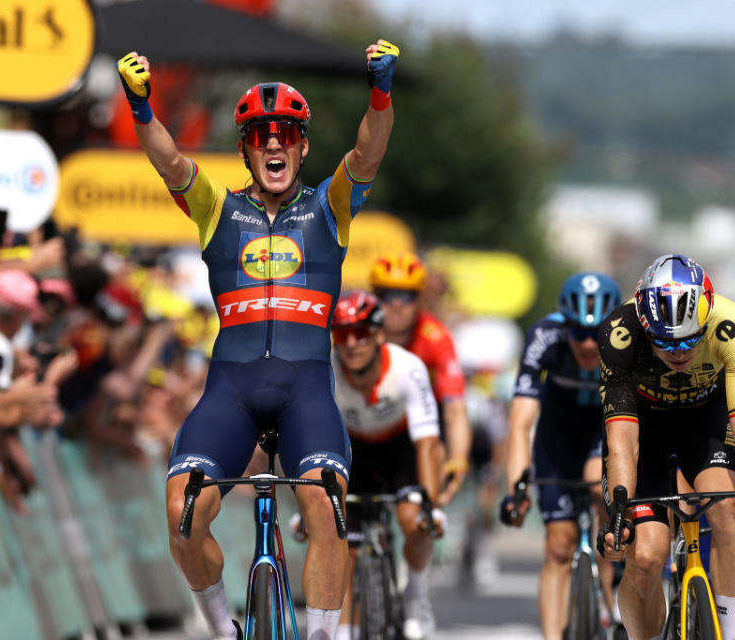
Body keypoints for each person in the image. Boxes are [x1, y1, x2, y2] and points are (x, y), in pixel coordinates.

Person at [118, 38, 400, 640]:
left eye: (287, 133)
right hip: (232, 391)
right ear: (246, 149)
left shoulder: (331, 206)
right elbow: (169, 162)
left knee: (325, 506)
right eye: (261, 134)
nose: (275, 142)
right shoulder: (217, 209)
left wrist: (380, 91)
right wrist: (142, 108)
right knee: (182, 515)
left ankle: (323, 634)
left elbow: (369, 152)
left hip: (306, 392)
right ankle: (224, 628)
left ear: (303, 145)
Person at [597, 254, 735, 640]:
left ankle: (733, 634)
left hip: (706, 421)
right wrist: (621, 507)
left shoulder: (730, 325)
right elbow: (622, 440)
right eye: (665, 343)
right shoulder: (619, 333)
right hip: (645, 429)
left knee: (729, 513)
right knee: (648, 556)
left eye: (690, 339)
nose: (679, 352)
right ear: (645, 325)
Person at [499, 272, 622, 640]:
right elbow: (521, 422)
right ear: (563, 326)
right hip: (559, 433)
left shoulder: (626, 341)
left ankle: (613, 588)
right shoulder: (543, 337)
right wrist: (515, 491)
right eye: (577, 333)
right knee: (557, 546)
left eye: (595, 333)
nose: (587, 344)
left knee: (597, 487)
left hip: (606, 426)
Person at [328, 291, 445, 640]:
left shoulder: (408, 367)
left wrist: (431, 506)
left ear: (379, 335)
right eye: (342, 334)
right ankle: (345, 631)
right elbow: (315, 440)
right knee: (340, 536)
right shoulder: (325, 370)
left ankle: (415, 596)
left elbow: (428, 443)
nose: (351, 344)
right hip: (353, 449)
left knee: (415, 521)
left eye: (361, 333)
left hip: (400, 449)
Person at [369, 252, 471, 504]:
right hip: (368, 420)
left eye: (406, 296)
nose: (396, 304)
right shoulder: (359, 333)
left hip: (418, 428)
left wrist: (457, 460)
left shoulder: (435, 336)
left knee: (423, 504)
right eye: (386, 294)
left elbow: (455, 409)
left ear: (419, 299)